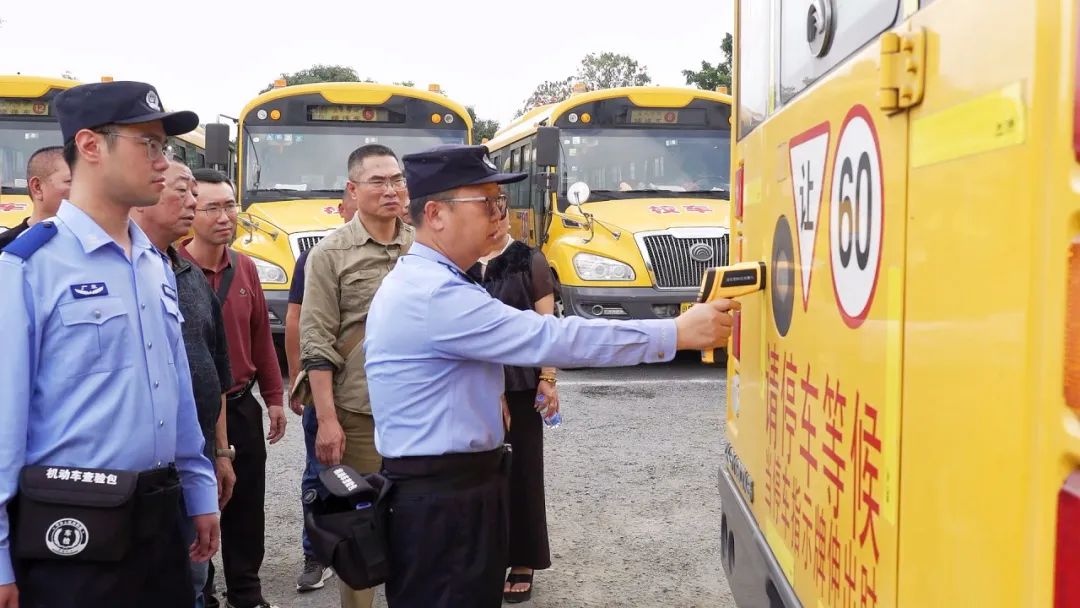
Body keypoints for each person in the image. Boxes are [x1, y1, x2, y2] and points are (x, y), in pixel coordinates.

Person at [364, 144, 739, 607]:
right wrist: (676, 332)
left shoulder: (437, 280)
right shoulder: (434, 294)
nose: (498, 214)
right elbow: (555, 338)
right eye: (487, 203)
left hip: (449, 492)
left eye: (499, 203)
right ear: (437, 214)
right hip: (443, 501)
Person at [0, 80, 219, 608]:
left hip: (160, 515)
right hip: (72, 523)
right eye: (148, 144)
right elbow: (3, 419)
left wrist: (198, 484)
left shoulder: (152, 263)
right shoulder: (28, 268)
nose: (163, 162)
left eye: (164, 148)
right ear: (92, 146)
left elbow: (176, 387)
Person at [299, 143, 413, 608]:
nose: (391, 190)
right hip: (360, 412)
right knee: (361, 529)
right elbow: (316, 342)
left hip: (419, 411)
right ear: (352, 188)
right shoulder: (329, 254)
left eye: (398, 180)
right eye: (378, 181)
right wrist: (327, 420)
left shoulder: (423, 243)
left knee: (415, 525)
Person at [131, 159, 236, 608]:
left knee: (192, 582)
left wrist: (221, 454)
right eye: (183, 191)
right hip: (131, 484)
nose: (194, 202)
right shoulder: (117, 273)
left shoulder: (189, 279)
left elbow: (214, 376)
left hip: (189, 467)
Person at [182, 168, 285, 608]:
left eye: (230, 205)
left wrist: (276, 398)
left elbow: (262, 336)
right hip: (198, 409)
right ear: (191, 211)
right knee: (197, 504)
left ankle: (246, 591)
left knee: (246, 504)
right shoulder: (173, 268)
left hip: (243, 404)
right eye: (213, 207)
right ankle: (201, 590)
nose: (225, 217)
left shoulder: (244, 268)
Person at [466, 208, 557, 603]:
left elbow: (548, 326)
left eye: (501, 217)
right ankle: (481, 554)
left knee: (522, 471)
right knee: (474, 473)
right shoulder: (461, 261)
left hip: (521, 383)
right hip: (471, 383)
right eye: (488, 217)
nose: (496, 225)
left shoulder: (528, 260)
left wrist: (548, 378)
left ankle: (523, 559)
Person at [285, 190, 356, 593]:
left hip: (380, 392)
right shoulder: (317, 257)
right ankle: (316, 554)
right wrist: (298, 380)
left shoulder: (407, 252)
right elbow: (294, 320)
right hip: (325, 382)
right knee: (319, 473)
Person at [0, 145, 71, 248]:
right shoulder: (6, 249)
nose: (82, 190)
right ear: (37, 187)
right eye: (70, 182)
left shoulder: (96, 244)